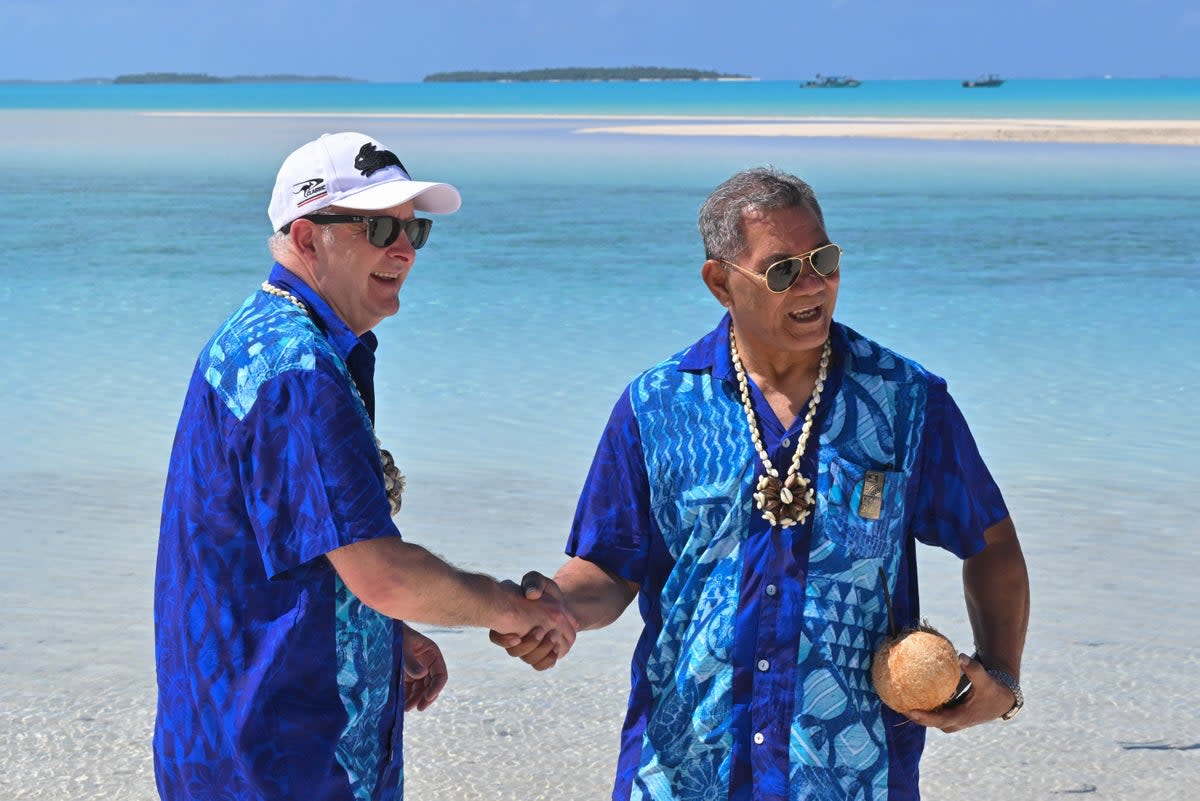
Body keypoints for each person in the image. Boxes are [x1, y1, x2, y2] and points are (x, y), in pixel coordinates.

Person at [492, 167, 1030, 800]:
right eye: (782, 271)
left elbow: (992, 547)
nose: (813, 285)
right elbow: (609, 567)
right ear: (721, 281)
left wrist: (1000, 677)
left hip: (850, 773)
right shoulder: (657, 406)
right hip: (682, 768)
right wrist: (556, 611)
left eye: (823, 260)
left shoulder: (906, 402)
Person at [153, 131, 577, 801]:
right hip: (284, 759)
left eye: (414, 230)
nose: (403, 249)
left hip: (237, 743)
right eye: (379, 227)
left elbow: (286, 547)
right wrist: (508, 606)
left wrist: (384, 634)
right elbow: (382, 572)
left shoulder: (268, 339)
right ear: (304, 236)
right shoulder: (300, 369)